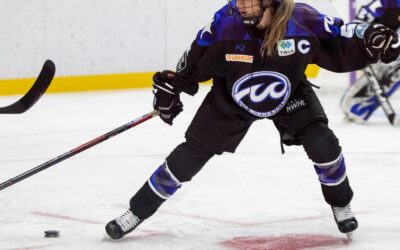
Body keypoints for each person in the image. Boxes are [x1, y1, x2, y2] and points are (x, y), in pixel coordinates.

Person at [105, 0, 400, 240]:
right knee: (188, 157)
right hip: (232, 97)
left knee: (323, 144)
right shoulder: (225, 23)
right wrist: (173, 87)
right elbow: (194, 60)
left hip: (289, 92)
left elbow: (342, 34)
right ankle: (135, 211)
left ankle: (341, 204)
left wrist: (371, 40)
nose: (241, 5)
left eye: (249, 1)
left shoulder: (303, 20)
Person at [341, 0, 400, 123]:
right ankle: (356, 106)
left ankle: (357, 108)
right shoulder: (389, 3)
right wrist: (360, 40)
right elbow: (359, 21)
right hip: (370, 44)